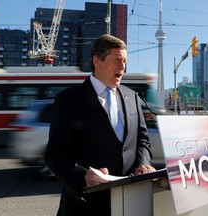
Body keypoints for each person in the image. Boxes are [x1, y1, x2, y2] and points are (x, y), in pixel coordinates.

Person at [45, 34, 156, 216]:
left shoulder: (132, 97)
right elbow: (55, 154)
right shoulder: (68, 100)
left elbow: (142, 140)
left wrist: (143, 164)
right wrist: (82, 176)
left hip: (130, 202)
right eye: (117, 60)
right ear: (97, 60)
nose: (123, 67)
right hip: (86, 206)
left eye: (125, 61)